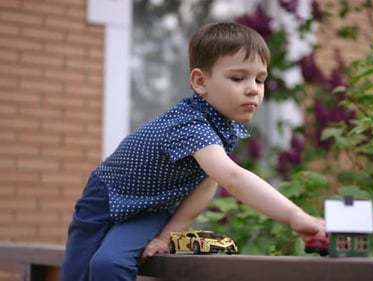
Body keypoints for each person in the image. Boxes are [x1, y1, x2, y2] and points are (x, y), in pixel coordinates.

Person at [60, 22, 325, 281]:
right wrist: (295, 216)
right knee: (77, 273)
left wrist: (166, 236)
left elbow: (209, 181)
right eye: (238, 78)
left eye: (260, 79)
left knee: (109, 264)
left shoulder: (223, 126)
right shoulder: (191, 124)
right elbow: (232, 178)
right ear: (200, 82)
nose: (253, 88)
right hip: (103, 199)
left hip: (151, 207)